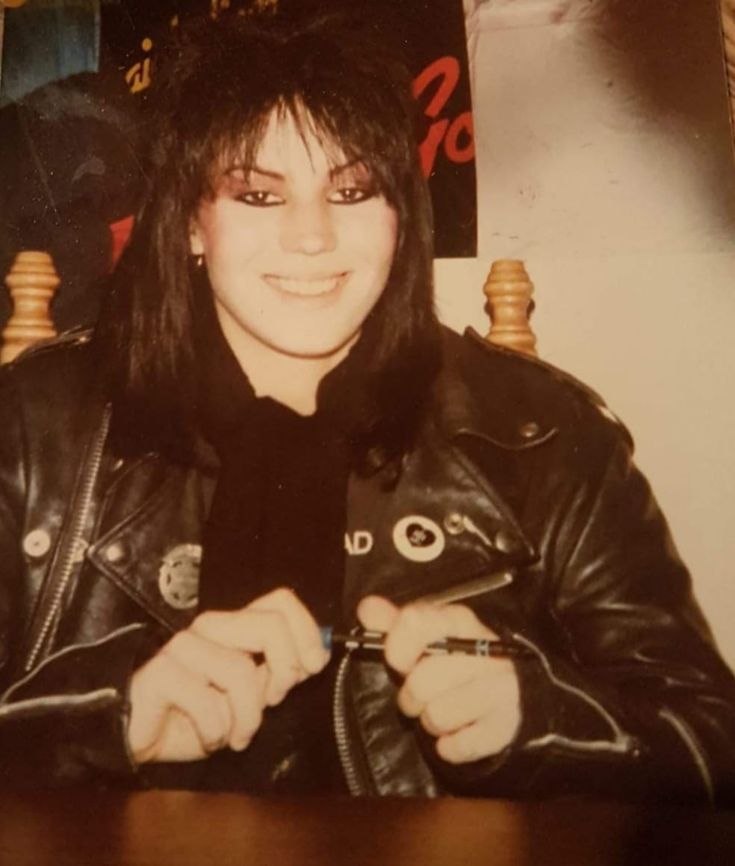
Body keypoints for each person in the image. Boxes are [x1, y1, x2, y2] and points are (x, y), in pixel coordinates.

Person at [1, 8, 734, 802]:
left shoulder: (543, 435)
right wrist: (110, 718)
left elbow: (708, 742)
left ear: (400, 216)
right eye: (257, 193)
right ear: (188, 222)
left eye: (351, 190)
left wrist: (541, 717)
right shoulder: (32, 427)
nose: (313, 237)